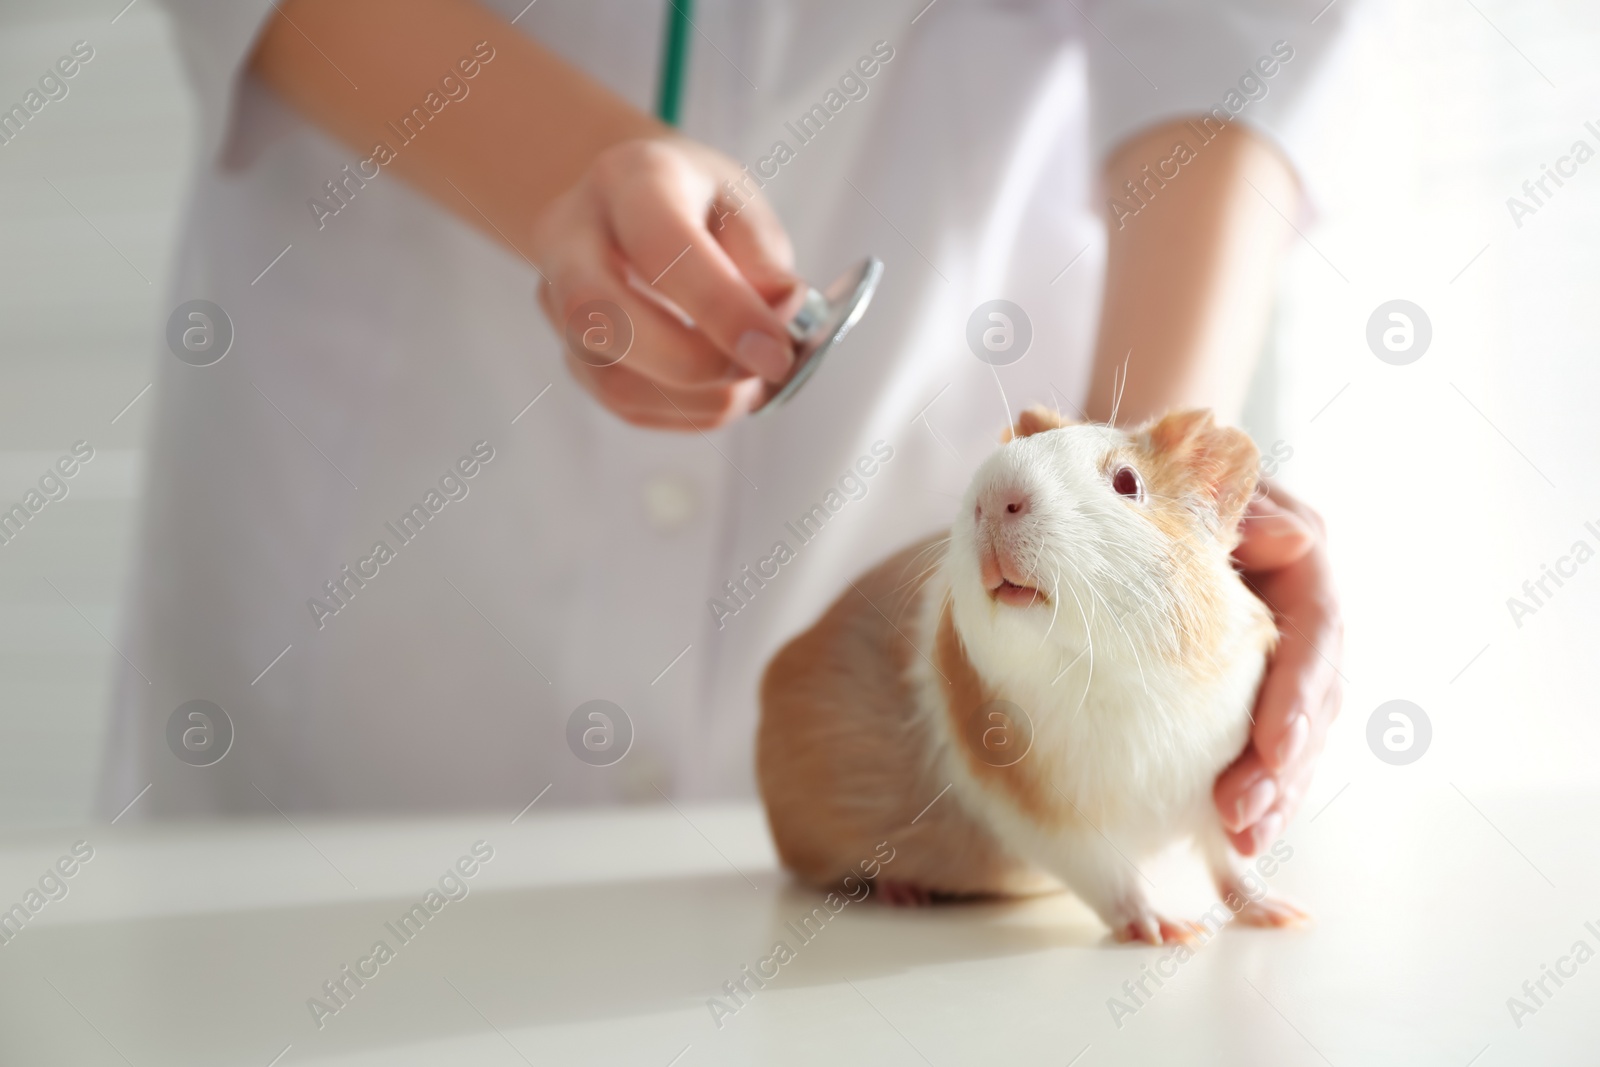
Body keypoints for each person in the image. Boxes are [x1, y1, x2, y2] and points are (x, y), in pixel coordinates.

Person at [100, 0, 1347, 856]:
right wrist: (575, 175)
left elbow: (1217, 29)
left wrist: (1154, 508)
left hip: (909, 599)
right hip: (385, 605)